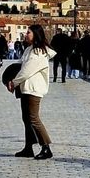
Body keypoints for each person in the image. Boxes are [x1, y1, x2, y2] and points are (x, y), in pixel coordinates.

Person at [8, 23, 54, 159]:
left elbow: (26, 71)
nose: (26, 34)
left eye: (28, 32)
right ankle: (29, 147)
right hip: (25, 88)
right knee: (26, 118)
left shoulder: (38, 52)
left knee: (34, 118)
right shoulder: (29, 49)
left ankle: (46, 147)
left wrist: (14, 82)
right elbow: (21, 67)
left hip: (33, 89)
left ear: (36, 35)